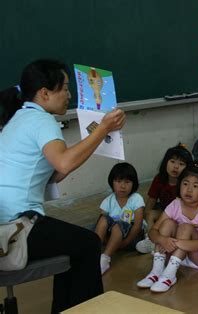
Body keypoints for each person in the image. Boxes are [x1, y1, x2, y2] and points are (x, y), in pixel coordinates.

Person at [0, 59, 125, 313]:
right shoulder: (42, 121)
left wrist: (94, 139)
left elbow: (55, 173)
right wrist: (102, 129)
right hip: (17, 225)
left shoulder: (18, 118)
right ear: (45, 93)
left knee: (76, 245)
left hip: (5, 217)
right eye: (65, 89)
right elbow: (65, 163)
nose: (69, 96)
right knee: (89, 244)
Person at [136, 166, 198, 292]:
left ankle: (169, 274)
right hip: (175, 254)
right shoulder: (175, 204)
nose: (189, 190)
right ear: (179, 185)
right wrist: (163, 240)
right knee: (168, 223)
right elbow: (153, 232)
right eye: (185, 184)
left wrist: (174, 242)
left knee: (185, 227)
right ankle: (156, 271)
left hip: (197, 257)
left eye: (195, 186)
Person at [136, 145, 193, 254]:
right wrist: (145, 216)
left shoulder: (186, 183)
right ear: (165, 162)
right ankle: (151, 240)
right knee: (150, 214)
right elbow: (152, 199)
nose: (175, 167)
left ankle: (163, 240)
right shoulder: (159, 178)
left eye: (181, 164)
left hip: (180, 215)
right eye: (172, 162)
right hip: (164, 211)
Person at [95, 163, 145, 274]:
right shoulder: (108, 200)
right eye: (118, 181)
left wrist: (124, 243)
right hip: (114, 238)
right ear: (112, 182)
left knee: (119, 225)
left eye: (127, 182)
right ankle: (95, 254)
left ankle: (105, 259)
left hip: (133, 237)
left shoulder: (136, 199)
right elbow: (102, 224)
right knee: (102, 219)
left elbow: (137, 226)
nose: (122, 186)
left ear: (134, 184)